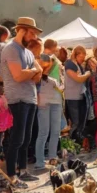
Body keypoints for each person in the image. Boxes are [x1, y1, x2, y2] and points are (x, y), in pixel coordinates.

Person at [1, 17, 43, 187]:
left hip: (30, 98)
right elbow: (18, 76)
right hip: (16, 99)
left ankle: (23, 171)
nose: (33, 37)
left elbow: (39, 75)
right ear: (22, 30)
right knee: (17, 139)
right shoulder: (11, 49)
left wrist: (31, 72)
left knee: (26, 138)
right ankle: (11, 175)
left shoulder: (28, 52)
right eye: (32, 33)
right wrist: (32, 71)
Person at [34, 38, 64, 169]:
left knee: (56, 131)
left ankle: (52, 157)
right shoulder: (41, 58)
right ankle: (40, 161)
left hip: (56, 98)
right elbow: (41, 75)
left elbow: (60, 80)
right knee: (43, 132)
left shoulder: (56, 61)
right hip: (44, 99)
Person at [64, 46, 92, 147]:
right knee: (75, 122)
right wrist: (87, 74)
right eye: (81, 56)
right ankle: (71, 143)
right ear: (76, 54)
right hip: (72, 97)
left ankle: (77, 143)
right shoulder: (70, 64)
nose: (83, 59)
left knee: (81, 122)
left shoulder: (79, 65)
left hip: (80, 96)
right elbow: (78, 79)